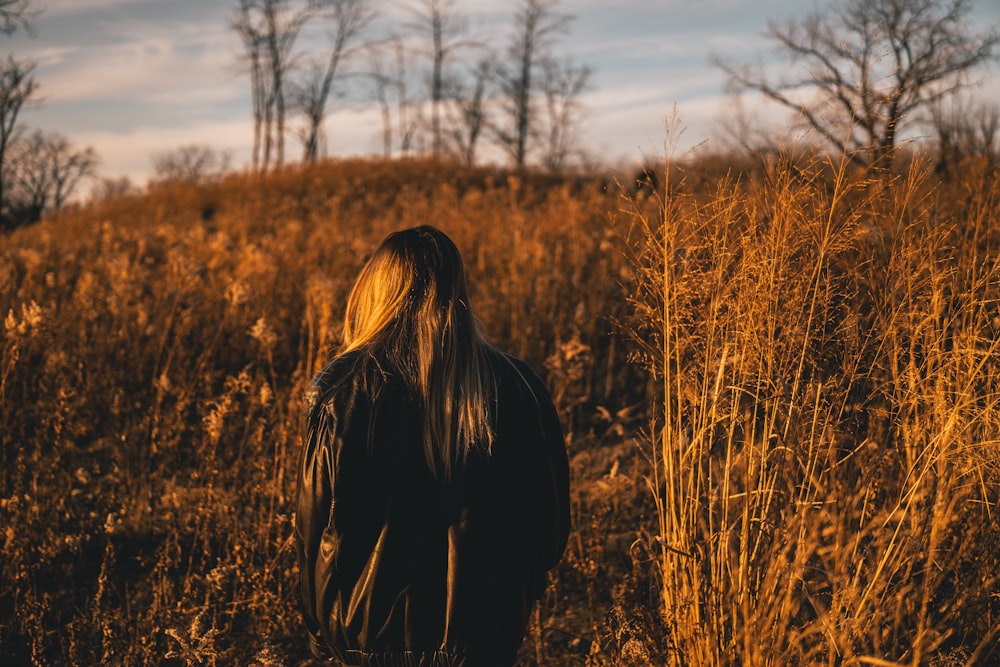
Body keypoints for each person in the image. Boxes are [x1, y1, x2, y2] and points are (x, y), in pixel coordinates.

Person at [295, 225, 570, 667]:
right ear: (457, 291)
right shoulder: (518, 386)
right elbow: (548, 527)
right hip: (484, 635)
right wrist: (511, 602)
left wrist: (319, 630)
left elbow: (316, 529)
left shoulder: (341, 389)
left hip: (364, 638)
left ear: (376, 289)